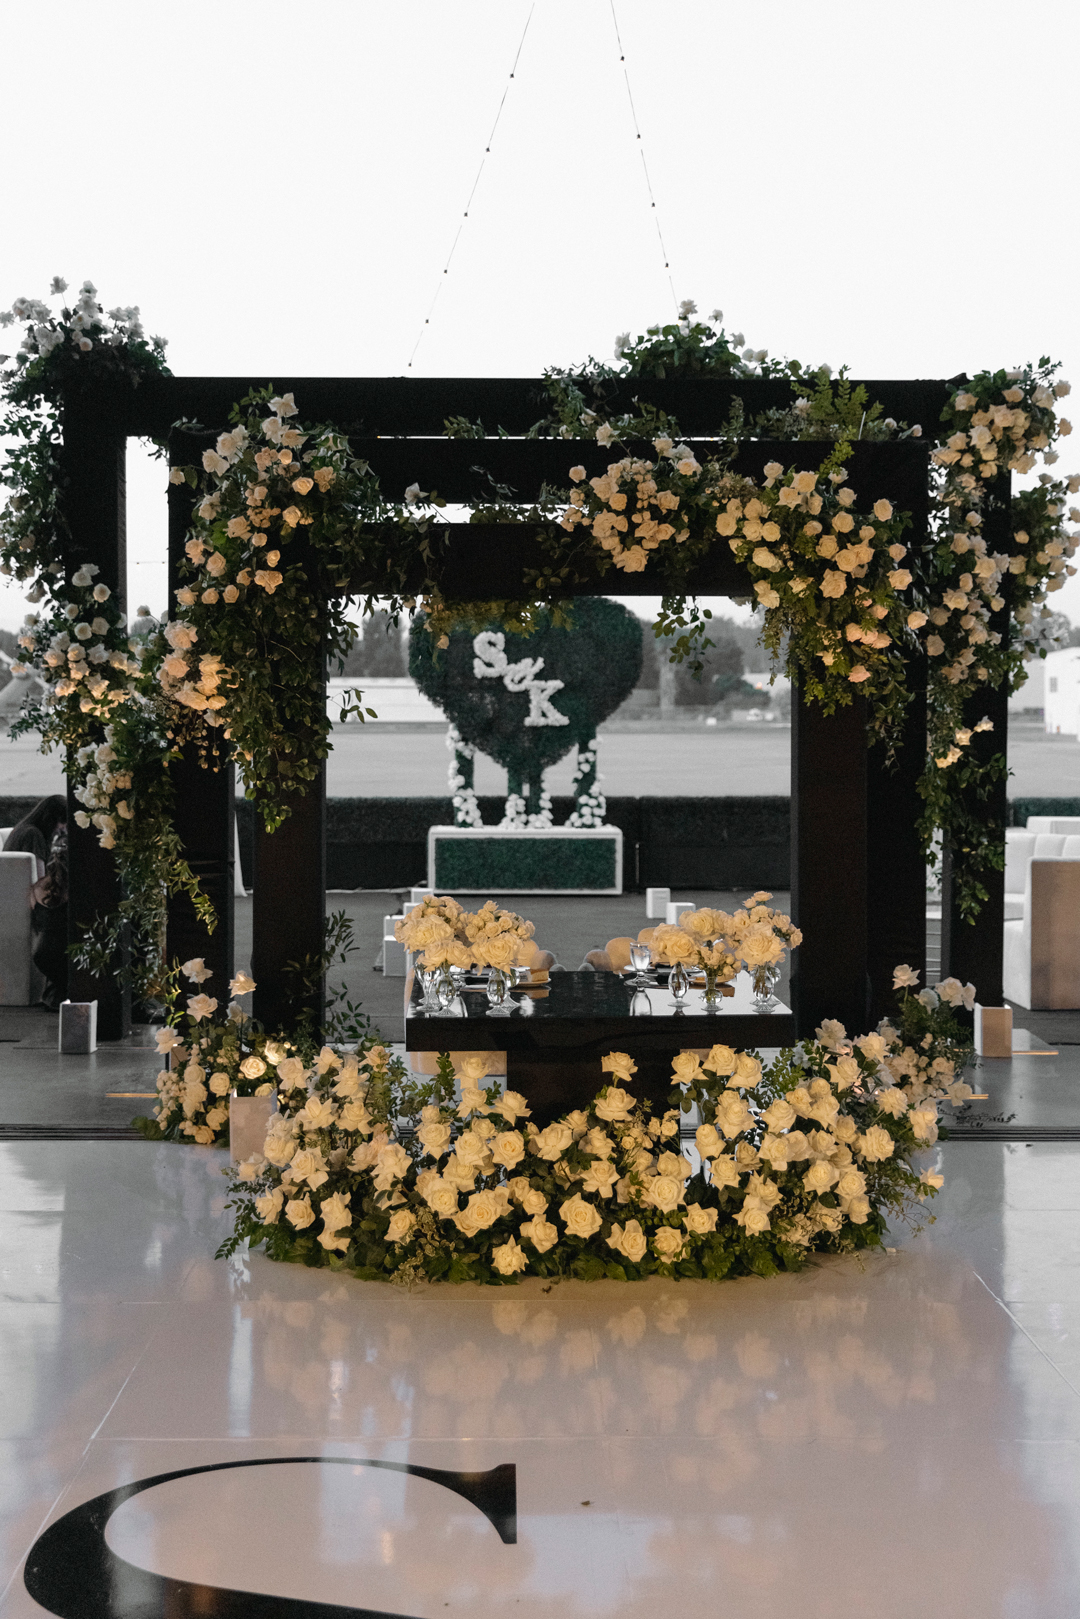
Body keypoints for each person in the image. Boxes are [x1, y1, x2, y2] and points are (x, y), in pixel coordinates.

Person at [4, 796, 68, 1010]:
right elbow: (40, 881)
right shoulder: (33, 835)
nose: (63, 829)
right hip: (31, 908)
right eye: (62, 823)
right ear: (53, 819)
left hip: (11, 906)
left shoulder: (22, 829)